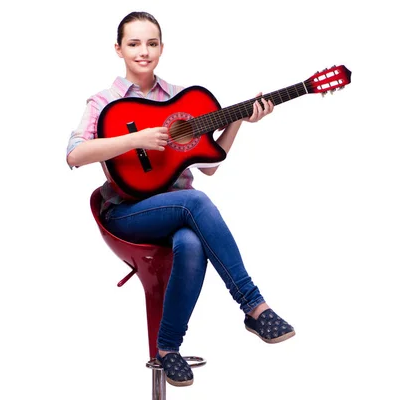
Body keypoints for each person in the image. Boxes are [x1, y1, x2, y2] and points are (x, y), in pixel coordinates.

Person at [66, 11, 294, 387]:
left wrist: (236, 119)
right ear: (118, 48)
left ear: (162, 47)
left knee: (190, 240)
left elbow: (209, 166)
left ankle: (168, 349)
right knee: (196, 202)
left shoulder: (182, 99)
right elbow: (74, 155)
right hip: (126, 213)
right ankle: (253, 306)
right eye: (134, 43)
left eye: (151, 43)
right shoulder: (104, 101)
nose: (143, 51)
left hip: (178, 214)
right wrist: (134, 140)